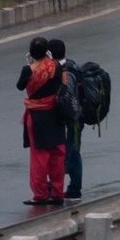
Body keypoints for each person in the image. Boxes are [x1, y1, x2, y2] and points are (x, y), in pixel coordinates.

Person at [17, 37, 68, 206]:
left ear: (31, 53)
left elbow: (20, 86)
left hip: (37, 117)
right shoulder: (56, 67)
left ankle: (39, 194)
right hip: (55, 113)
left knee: (39, 157)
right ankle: (57, 193)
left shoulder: (27, 70)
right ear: (47, 52)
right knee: (57, 154)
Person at [49, 39, 82, 200]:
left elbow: (67, 97)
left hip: (73, 120)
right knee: (72, 153)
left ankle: (66, 188)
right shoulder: (69, 65)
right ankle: (71, 188)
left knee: (71, 154)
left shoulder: (65, 72)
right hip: (73, 119)